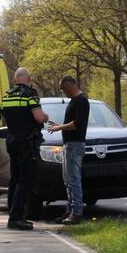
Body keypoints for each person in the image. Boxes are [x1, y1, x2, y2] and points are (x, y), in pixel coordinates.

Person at [0, 67, 49, 230]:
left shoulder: (7, 96)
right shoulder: (30, 94)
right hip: (27, 143)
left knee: (15, 178)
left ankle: (12, 214)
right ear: (28, 79)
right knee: (26, 179)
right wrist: (46, 117)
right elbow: (38, 117)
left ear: (15, 79)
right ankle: (16, 217)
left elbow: (6, 120)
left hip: (12, 141)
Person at [47, 76, 89, 225]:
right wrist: (59, 125)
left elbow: (77, 124)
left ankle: (76, 213)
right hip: (69, 144)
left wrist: (59, 127)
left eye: (63, 89)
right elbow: (71, 123)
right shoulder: (74, 101)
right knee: (68, 181)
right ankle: (69, 211)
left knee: (74, 180)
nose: (63, 92)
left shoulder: (81, 101)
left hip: (75, 145)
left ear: (69, 85)